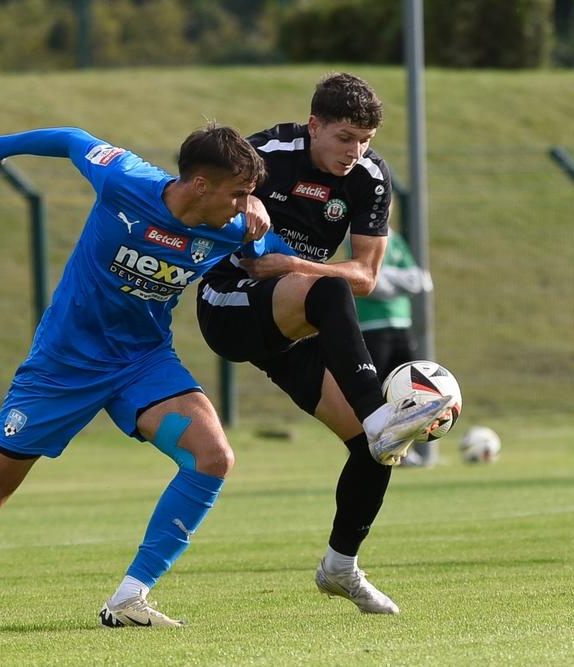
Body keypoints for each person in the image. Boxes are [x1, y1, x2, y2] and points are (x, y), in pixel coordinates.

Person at [0, 122, 296, 630]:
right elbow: (71, 139)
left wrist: (266, 217)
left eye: (248, 197)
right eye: (238, 194)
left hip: (142, 364)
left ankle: (130, 597)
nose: (243, 206)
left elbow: (275, 260)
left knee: (212, 457)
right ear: (200, 185)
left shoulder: (237, 226)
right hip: (64, 366)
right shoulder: (125, 178)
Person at [196, 73, 454, 615]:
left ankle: (341, 566)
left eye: (365, 140)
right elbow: (197, 197)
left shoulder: (370, 177)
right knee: (331, 296)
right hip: (230, 303)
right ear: (314, 126)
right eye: (343, 138)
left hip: (298, 316)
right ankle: (379, 414)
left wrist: (293, 264)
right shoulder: (263, 154)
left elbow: (365, 275)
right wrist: (240, 210)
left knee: (371, 448)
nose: (354, 152)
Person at [354, 221, 435, 467]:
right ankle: (366, 448)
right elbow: (370, 283)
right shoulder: (357, 235)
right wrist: (391, 281)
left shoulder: (396, 239)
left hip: (401, 323)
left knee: (406, 390)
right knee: (375, 392)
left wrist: (381, 275)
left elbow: (421, 280)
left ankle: (404, 449)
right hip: (371, 325)